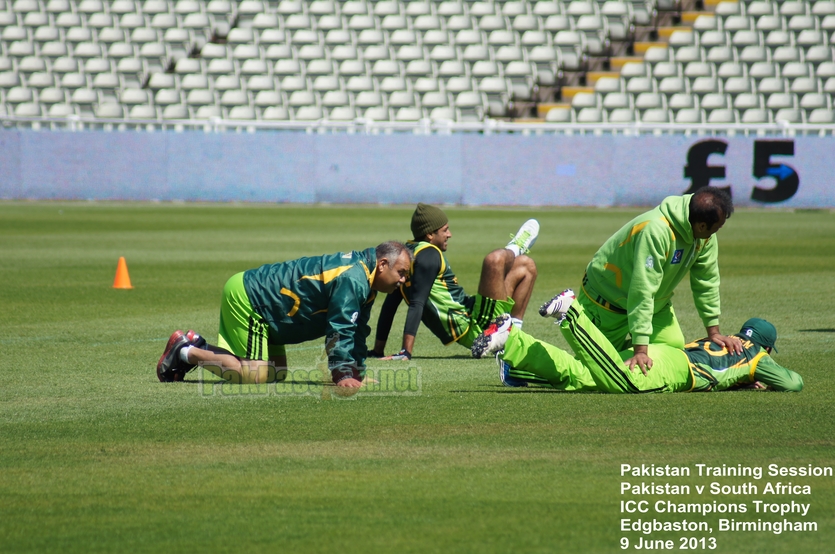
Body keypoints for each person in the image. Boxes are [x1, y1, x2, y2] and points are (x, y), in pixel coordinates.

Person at [156, 241, 413, 389]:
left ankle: (196, 346)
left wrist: (357, 371)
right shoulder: (354, 278)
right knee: (254, 374)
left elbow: (357, 330)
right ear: (382, 265)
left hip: (272, 308)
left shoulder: (365, 281)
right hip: (253, 298)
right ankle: (184, 351)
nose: (402, 280)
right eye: (401, 272)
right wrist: (343, 375)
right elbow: (340, 328)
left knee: (276, 373)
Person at [471, 289, 803, 394]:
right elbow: (793, 383)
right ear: (767, 346)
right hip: (674, 371)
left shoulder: (727, 343)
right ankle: (571, 313)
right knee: (623, 385)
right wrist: (760, 378)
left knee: (583, 375)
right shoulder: (759, 355)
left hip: (669, 353)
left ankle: (512, 341)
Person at [578, 187, 742, 375]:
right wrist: (641, 351)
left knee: (672, 348)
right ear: (702, 226)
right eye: (717, 227)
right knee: (594, 368)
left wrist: (714, 333)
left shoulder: (705, 236)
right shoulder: (655, 230)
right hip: (606, 301)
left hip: (656, 303)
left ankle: (621, 351)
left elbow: (707, 281)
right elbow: (642, 289)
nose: (717, 232)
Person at [372, 203, 538, 386]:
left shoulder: (407, 255)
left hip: (472, 314)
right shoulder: (429, 255)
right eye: (445, 230)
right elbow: (416, 303)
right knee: (495, 260)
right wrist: (406, 351)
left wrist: (378, 349)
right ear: (430, 234)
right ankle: (515, 247)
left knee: (525, 265)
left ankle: (511, 342)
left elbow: (390, 305)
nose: (449, 234)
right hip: (474, 324)